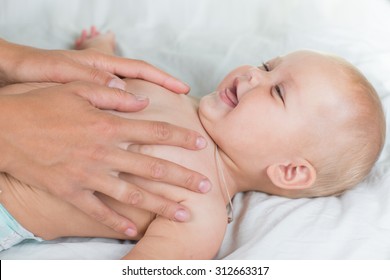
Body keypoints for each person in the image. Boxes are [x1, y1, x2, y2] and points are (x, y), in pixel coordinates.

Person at [0, 29, 385, 258]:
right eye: (267, 66)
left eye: (279, 92)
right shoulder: (172, 90)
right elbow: (101, 75)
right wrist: (99, 49)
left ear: (289, 170)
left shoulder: (201, 210)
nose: (253, 75)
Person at [0, 28, 214, 238]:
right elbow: (112, 81)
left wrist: (9, 57)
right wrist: (98, 50)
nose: (249, 74)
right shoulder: (175, 94)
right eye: (250, 68)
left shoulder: (204, 202)